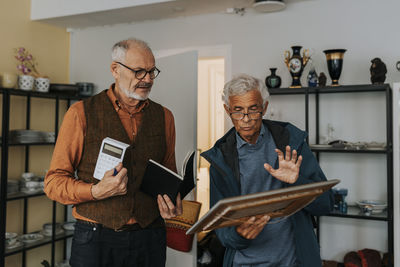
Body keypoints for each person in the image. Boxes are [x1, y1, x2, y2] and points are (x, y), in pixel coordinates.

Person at [44, 38, 182, 267]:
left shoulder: (165, 117)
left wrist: (172, 202)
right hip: (95, 238)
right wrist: (95, 191)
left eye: (151, 71)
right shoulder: (80, 113)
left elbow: (169, 175)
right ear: (115, 70)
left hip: (150, 236)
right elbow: (53, 183)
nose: (147, 79)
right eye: (139, 71)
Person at [201, 74, 334, 267]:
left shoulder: (291, 142)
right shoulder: (220, 159)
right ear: (227, 110)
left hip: (294, 262)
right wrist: (239, 235)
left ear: (264, 108)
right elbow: (223, 231)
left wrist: (296, 182)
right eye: (238, 111)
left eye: (253, 110)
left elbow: (326, 205)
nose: (246, 119)